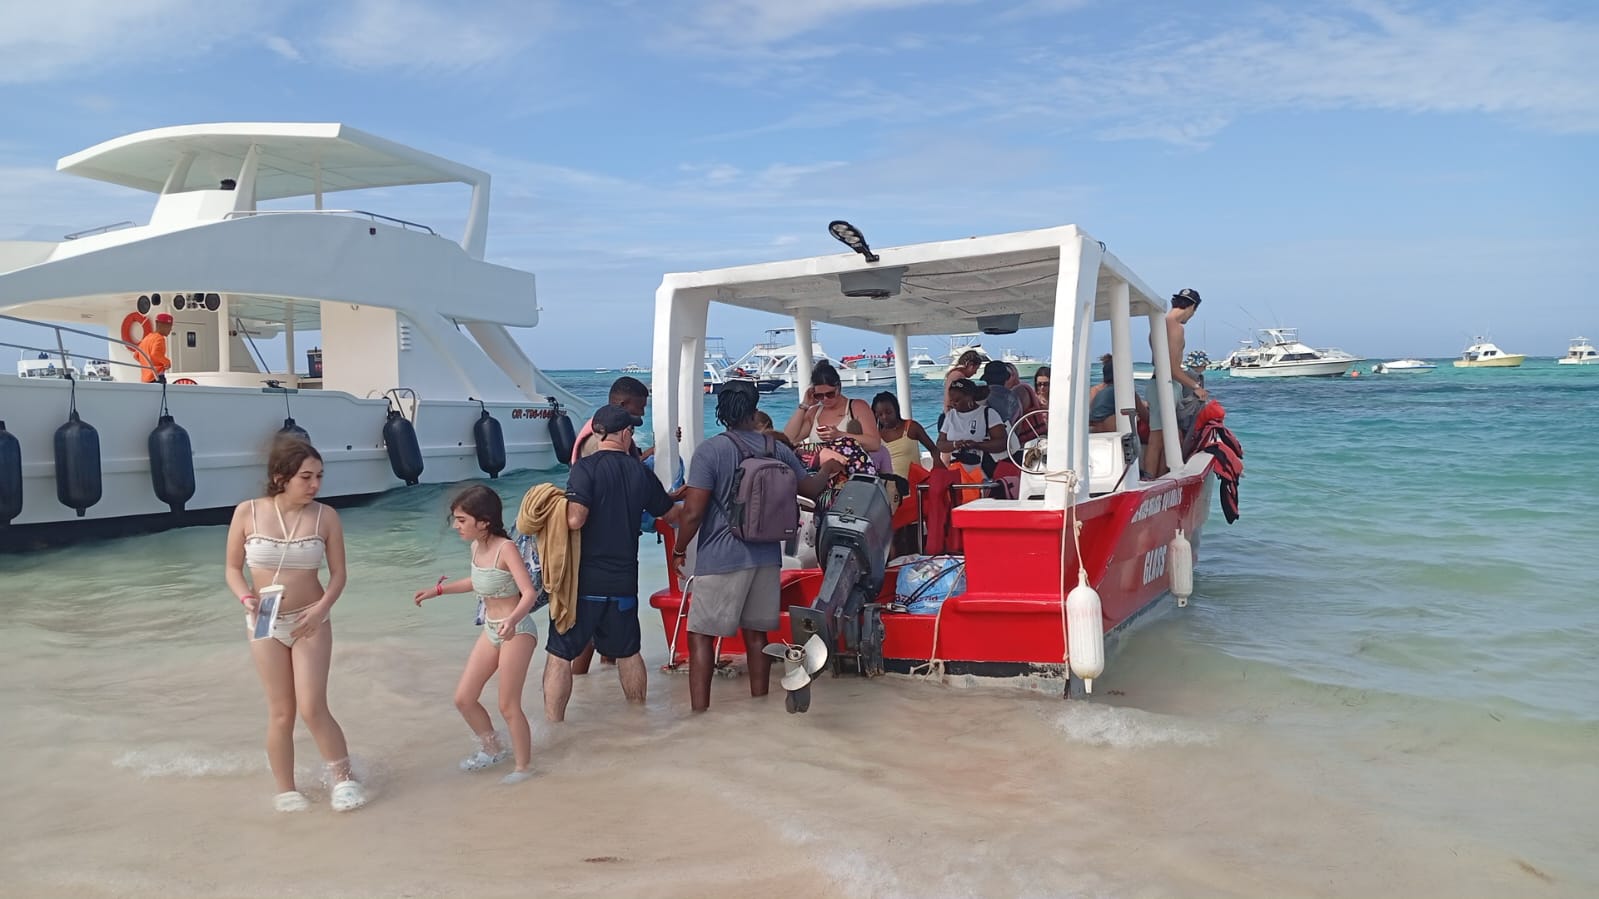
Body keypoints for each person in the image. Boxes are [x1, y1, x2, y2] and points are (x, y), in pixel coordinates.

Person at [673, 382, 840, 712]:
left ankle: (699, 714)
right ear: (755, 407)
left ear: (721, 411)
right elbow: (809, 488)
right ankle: (759, 706)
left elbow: (692, 513)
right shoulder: (775, 448)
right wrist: (828, 469)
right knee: (757, 635)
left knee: (701, 635)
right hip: (766, 556)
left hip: (721, 556)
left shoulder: (710, 451)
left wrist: (680, 549)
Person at [223, 437, 366, 813]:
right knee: (281, 711)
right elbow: (232, 568)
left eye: (319, 476)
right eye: (306, 477)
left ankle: (344, 781)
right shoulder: (247, 512)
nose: (315, 484)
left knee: (313, 707)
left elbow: (339, 575)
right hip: (264, 619)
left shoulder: (326, 517)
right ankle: (286, 790)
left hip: (311, 618)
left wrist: (321, 609)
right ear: (280, 477)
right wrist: (246, 597)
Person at [544, 404, 677, 721]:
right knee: (629, 652)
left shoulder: (584, 469)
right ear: (625, 434)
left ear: (597, 433)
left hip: (583, 583)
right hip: (623, 582)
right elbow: (671, 514)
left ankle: (554, 724)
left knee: (560, 654)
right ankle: (638, 717)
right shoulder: (640, 472)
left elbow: (575, 519)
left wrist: (553, 510)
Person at [413, 485, 541, 784]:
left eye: (462, 520)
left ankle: (524, 768)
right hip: (491, 629)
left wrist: (513, 619)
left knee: (508, 705)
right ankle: (493, 750)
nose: (456, 526)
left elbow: (529, 593)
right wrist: (438, 590)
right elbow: (477, 580)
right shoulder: (476, 547)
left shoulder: (506, 549)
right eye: (455, 520)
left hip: (517, 630)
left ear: (483, 522)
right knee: (464, 698)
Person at [1144, 288, 1208, 477]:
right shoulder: (1176, 328)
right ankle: (1151, 479)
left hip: (1157, 384)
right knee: (1158, 439)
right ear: (1192, 307)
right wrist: (1196, 387)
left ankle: (1156, 479)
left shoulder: (1158, 324)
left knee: (1165, 438)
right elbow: (1171, 368)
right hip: (1165, 386)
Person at [782, 360, 881, 458]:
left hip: (851, 466)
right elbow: (789, 439)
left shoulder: (857, 407)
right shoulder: (814, 413)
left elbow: (874, 444)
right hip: (819, 467)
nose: (825, 399)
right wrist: (804, 405)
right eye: (819, 396)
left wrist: (840, 435)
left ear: (838, 387)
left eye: (830, 394)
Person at [936, 378, 1008, 478]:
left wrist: (977, 445)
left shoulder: (988, 413)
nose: (953, 404)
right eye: (951, 400)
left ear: (969, 397)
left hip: (983, 473)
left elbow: (1003, 443)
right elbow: (940, 444)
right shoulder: (950, 416)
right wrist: (955, 444)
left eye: (957, 400)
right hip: (957, 472)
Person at [571, 376, 650, 461]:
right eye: (640, 407)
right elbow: (616, 467)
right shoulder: (601, 440)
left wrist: (647, 454)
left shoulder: (613, 431)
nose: (643, 413)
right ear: (622, 406)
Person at [871, 392, 942, 480]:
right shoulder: (876, 437)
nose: (884, 417)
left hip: (916, 483)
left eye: (888, 412)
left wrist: (937, 465)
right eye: (880, 414)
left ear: (896, 409)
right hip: (890, 485)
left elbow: (933, 449)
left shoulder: (912, 427)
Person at [1089, 354, 1149, 434]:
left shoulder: (1101, 392)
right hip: (1108, 425)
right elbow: (1145, 415)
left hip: (1093, 426)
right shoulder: (1124, 391)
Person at [941, 350, 984, 416]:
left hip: (948, 414)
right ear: (970, 365)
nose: (975, 372)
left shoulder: (954, 373)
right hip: (951, 415)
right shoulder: (958, 376)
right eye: (976, 369)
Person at [980, 359, 1021, 425]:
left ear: (986, 379)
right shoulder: (1014, 398)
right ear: (1006, 378)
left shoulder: (980, 396)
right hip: (1010, 430)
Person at [138, 312, 173, 383]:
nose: (170, 329)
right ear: (161, 325)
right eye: (169, 326)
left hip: (145, 378)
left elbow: (136, 355)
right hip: (156, 377)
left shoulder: (146, 338)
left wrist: (147, 364)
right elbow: (155, 354)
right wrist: (167, 362)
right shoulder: (159, 338)